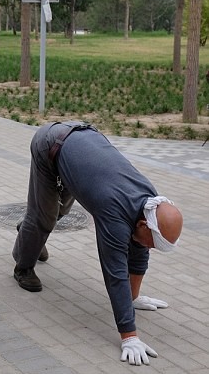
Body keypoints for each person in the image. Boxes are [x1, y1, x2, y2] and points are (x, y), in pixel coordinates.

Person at [12, 121, 183, 366]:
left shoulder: (150, 203)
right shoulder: (114, 214)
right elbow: (115, 273)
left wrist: (133, 298)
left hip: (78, 150)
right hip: (49, 144)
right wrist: (129, 335)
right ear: (145, 225)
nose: (151, 248)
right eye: (154, 243)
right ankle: (23, 266)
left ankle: (31, 235)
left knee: (57, 211)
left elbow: (139, 249)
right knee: (44, 217)